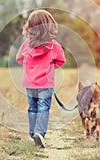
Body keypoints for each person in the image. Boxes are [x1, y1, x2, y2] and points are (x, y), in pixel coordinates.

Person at [16, 9, 66, 148]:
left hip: (29, 83)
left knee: (32, 107)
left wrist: (29, 66)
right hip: (45, 83)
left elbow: (19, 58)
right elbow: (61, 61)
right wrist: (50, 66)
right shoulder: (54, 46)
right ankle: (39, 133)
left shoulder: (26, 45)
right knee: (43, 107)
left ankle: (33, 134)